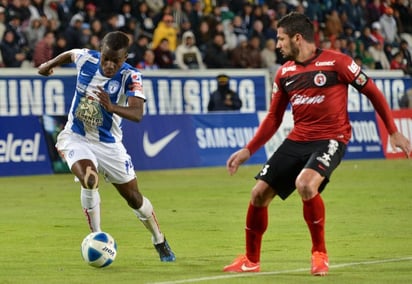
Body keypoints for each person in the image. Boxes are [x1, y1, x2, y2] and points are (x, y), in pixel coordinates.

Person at [223, 12, 411, 276]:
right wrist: (248, 150)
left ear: (297, 38)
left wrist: (392, 131)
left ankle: (319, 254)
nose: (277, 45)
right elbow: (273, 118)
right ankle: (251, 260)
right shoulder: (284, 73)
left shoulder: (338, 62)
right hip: (298, 139)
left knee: (305, 184)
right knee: (258, 194)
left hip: (331, 138)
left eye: (281, 39)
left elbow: (372, 91)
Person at [37, 31, 176, 262]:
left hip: (109, 144)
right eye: (106, 59)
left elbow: (137, 113)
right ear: (100, 51)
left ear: (125, 58)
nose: (110, 65)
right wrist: (48, 65)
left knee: (134, 199)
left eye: (116, 61)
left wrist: (112, 107)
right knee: (89, 179)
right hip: (76, 136)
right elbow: (71, 54)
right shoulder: (86, 59)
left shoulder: (131, 76)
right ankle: (96, 236)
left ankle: (159, 239)